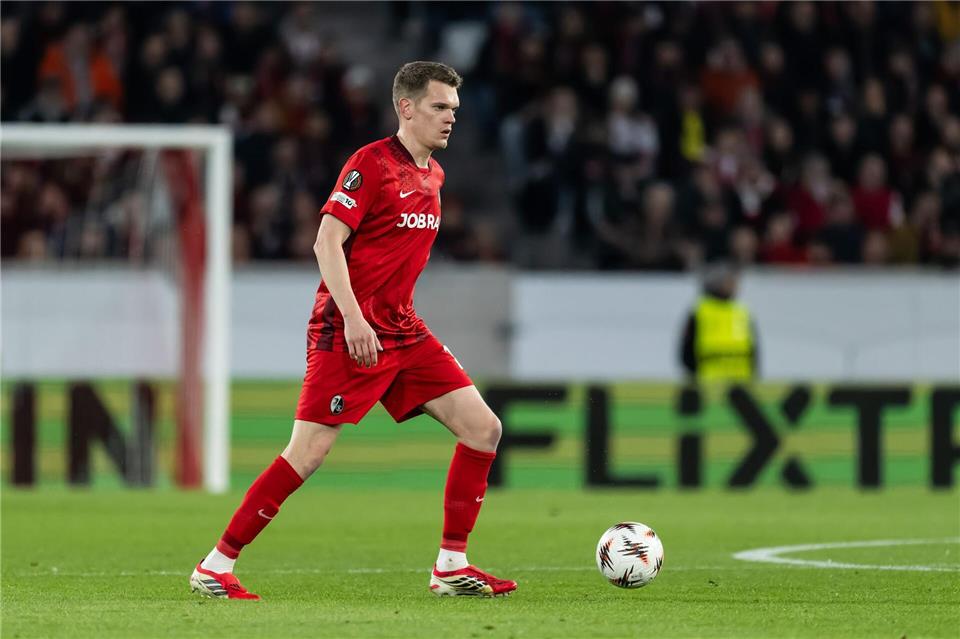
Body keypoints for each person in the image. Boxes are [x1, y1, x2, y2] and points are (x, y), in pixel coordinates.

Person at [190, 61, 517, 600]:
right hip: (348, 329)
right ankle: (215, 566)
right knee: (309, 453)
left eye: (454, 110)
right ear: (406, 108)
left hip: (401, 329)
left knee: (483, 428)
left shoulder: (433, 173)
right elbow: (326, 242)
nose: (450, 118)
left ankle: (451, 565)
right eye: (439, 107)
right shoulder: (370, 164)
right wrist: (354, 317)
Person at [679, 262, 759, 381]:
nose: (734, 285)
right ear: (717, 283)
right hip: (708, 382)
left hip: (741, 382)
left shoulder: (742, 311)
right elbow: (687, 351)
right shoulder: (700, 311)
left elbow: (754, 349)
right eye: (729, 281)